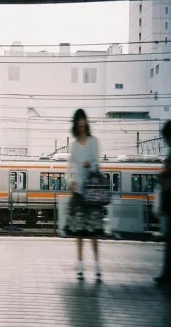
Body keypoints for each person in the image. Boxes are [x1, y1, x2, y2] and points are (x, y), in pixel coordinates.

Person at [67, 109, 104, 282]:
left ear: (86, 123)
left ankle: (97, 264)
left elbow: (97, 165)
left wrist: (91, 165)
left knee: (94, 231)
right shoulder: (74, 145)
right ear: (76, 124)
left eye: (83, 120)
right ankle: (80, 265)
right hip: (78, 193)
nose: (81, 123)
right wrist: (70, 181)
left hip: (92, 192)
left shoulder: (93, 142)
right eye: (78, 121)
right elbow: (70, 168)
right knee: (79, 231)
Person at [154, 120, 171, 287]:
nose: (165, 141)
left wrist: (164, 174)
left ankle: (167, 275)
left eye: (166, 138)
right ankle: (167, 274)